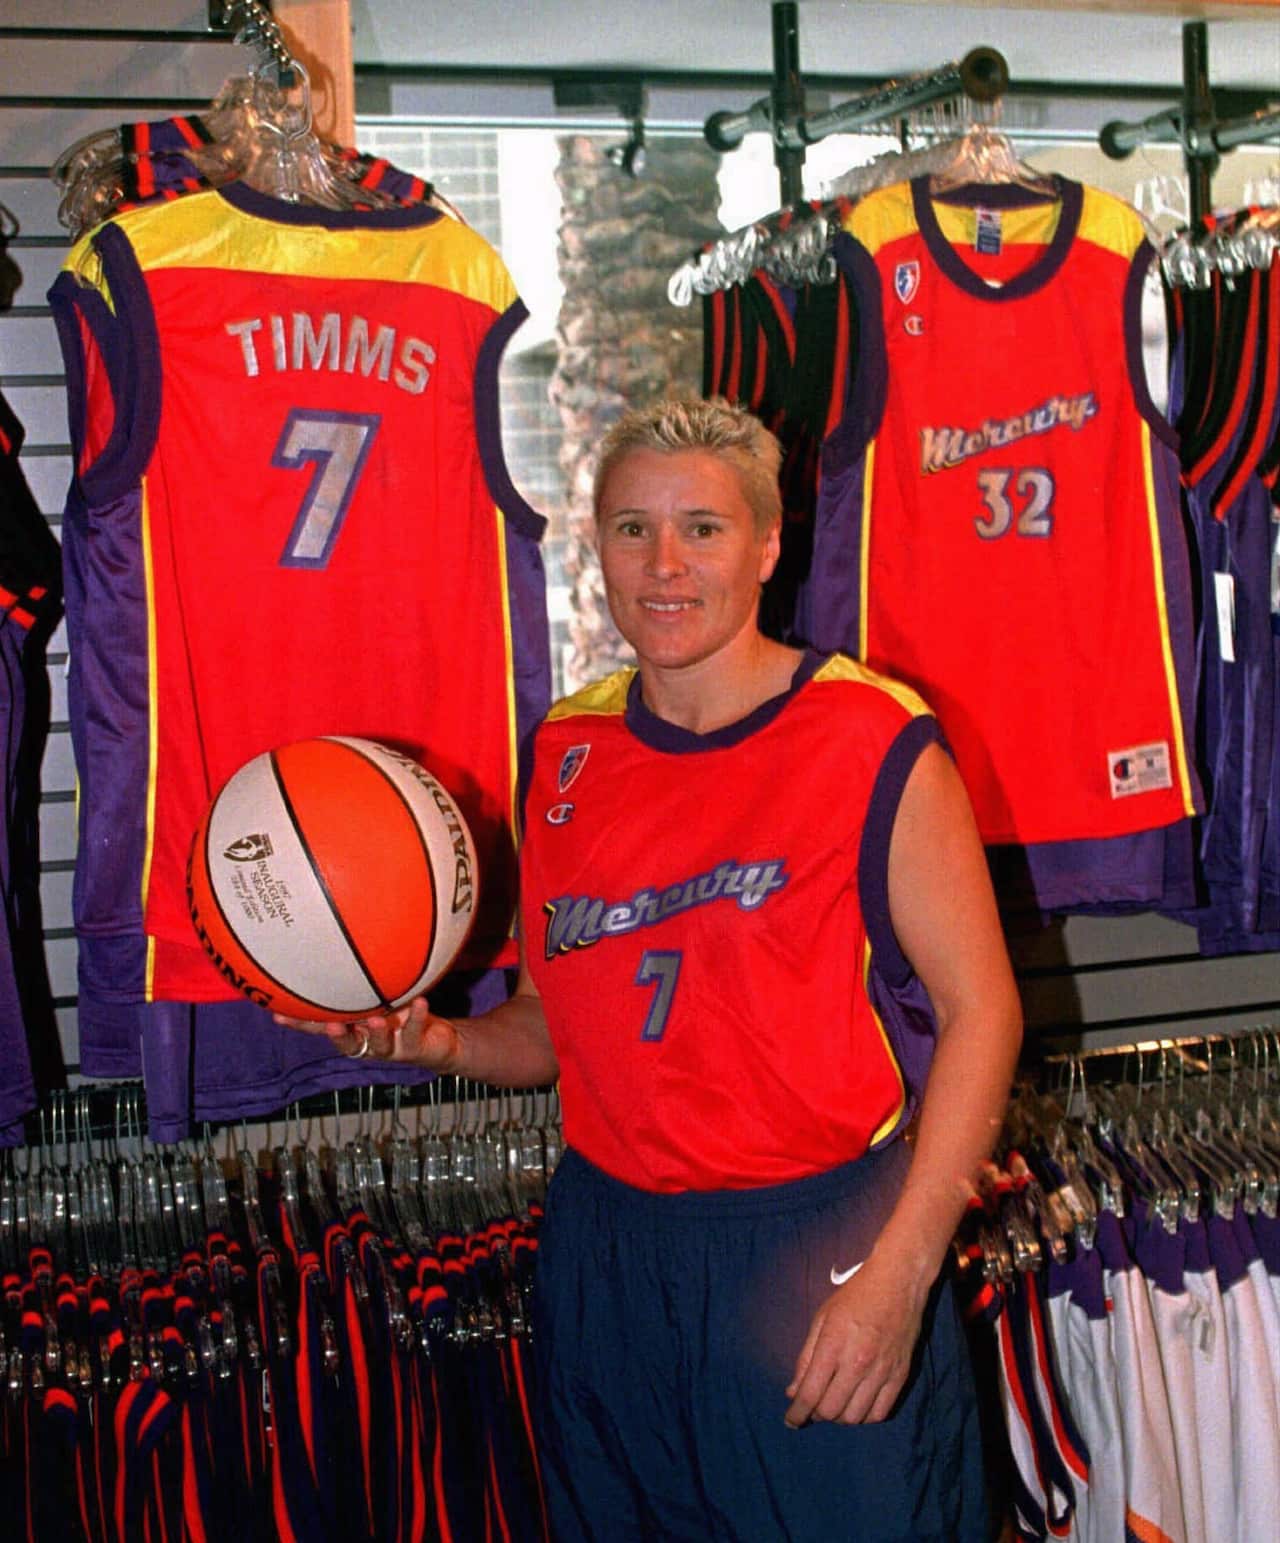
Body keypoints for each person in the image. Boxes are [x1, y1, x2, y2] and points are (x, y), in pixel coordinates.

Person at [278, 396, 1023, 1541]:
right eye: (631, 529)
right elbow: (548, 1022)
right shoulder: (568, 751)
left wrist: (898, 1271)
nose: (664, 565)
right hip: (606, 1255)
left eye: (702, 529)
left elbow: (983, 1012)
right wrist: (436, 1040)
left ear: (768, 545)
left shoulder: (873, 740)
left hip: (813, 1250)